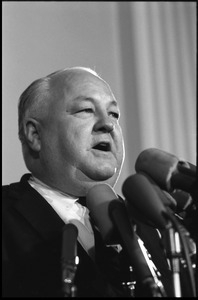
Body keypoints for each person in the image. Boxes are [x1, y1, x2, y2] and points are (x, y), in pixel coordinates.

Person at [2, 67, 193, 297]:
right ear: (35, 135)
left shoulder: (156, 225)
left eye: (114, 114)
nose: (108, 124)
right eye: (86, 110)